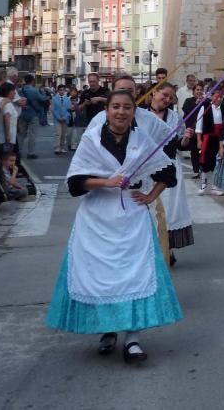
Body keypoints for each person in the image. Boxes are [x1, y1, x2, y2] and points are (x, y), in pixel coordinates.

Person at [46, 90, 182, 362]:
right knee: (101, 276)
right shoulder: (91, 140)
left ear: (134, 112)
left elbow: (167, 174)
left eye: (127, 108)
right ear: (106, 111)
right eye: (116, 107)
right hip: (97, 217)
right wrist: (106, 182)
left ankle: (133, 339)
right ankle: (107, 330)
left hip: (132, 217)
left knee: (135, 275)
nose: (121, 112)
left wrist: (149, 197)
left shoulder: (142, 141)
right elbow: (75, 183)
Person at [144, 82, 196, 266]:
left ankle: (168, 249)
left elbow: (181, 145)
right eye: (164, 95)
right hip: (147, 170)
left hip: (170, 167)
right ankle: (150, 250)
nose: (166, 99)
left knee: (170, 210)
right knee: (150, 210)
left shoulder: (175, 118)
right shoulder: (141, 115)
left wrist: (187, 138)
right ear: (154, 93)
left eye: (170, 97)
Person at [196, 91, 224, 195]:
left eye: (221, 97)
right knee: (205, 162)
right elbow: (199, 124)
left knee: (217, 163)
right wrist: (199, 140)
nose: (218, 99)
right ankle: (203, 185)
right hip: (208, 138)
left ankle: (215, 186)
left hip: (220, 139)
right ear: (211, 96)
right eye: (216, 97)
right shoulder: (205, 107)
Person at [17, 74, 46, 158]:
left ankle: (19, 151)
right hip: (33, 113)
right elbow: (42, 98)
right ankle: (30, 153)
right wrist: (44, 93)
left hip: (22, 113)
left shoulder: (20, 90)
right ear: (32, 81)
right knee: (32, 134)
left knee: (21, 134)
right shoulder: (34, 90)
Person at [181, 84, 205, 177]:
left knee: (203, 149)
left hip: (203, 128)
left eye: (200, 89)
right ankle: (196, 170)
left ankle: (204, 169)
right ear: (193, 91)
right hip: (192, 128)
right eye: (197, 89)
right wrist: (196, 103)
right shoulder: (189, 101)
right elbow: (186, 112)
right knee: (194, 150)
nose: (199, 91)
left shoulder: (206, 101)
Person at [52, 85, 71, 155]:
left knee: (64, 134)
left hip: (65, 119)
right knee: (58, 134)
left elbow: (69, 110)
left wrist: (65, 117)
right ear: (58, 91)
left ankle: (62, 147)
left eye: (63, 90)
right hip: (57, 119)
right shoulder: (54, 99)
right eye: (60, 90)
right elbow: (53, 110)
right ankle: (57, 148)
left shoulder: (68, 99)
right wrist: (58, 117)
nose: (62, 91)